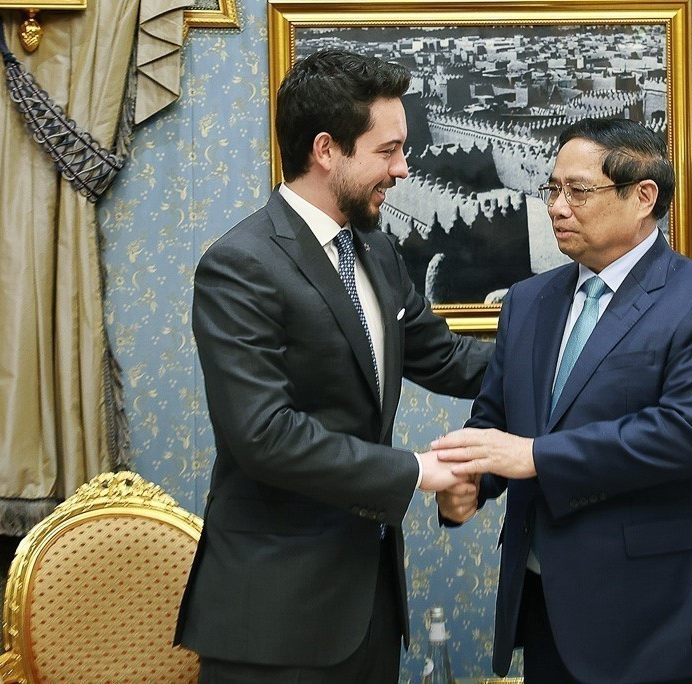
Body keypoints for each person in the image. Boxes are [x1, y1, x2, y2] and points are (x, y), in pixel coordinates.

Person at [174, 49, 492, 683]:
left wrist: (581, 356)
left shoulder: (375, 250)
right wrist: (417, 472)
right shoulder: (241, 265)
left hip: (369, 609)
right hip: (273, 619)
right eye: (388, 151)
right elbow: (265, 434)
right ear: (327, 150)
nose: (403, 169)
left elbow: (450, 359)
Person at [434, 118, 692, 683]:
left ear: (643, 198)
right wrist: (467, 484)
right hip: (549, 605)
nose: (558, 208)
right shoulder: (527, 301)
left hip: (667, 615)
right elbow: (497, 421)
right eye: (553, 189)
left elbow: (686, 436)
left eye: (578, 191)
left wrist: (537, 457)